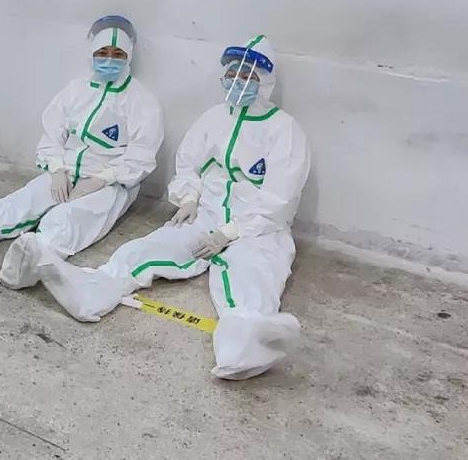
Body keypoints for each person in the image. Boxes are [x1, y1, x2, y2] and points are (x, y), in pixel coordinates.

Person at [34, 34, 311, 381]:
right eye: (233, 74)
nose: (238, 82)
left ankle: (247, 345)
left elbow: (280, 197)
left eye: (248, 76)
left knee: (250, 276)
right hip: (205, 214)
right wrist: (189, 197)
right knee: (147, 248)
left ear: (265, 83)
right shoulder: (213, 118)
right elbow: (188, 164)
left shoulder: (285, 131)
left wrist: (230, 232)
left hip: (257, 228)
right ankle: (94, 292)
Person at [0, 15, 164, 290]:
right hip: (66, 170)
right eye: (103, 52)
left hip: (111, 183)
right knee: (23, 200)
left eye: (118, 54)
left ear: (129, 56)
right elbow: (52, 132)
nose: (109, 60)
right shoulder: (75, 90)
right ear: (92, 53)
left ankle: (33, 261)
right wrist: (57, 168)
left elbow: (142, 155)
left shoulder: (141, 101)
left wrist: (103, 179)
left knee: (70, 218)